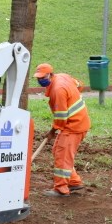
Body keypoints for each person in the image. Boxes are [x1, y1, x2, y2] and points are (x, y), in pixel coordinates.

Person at [33, 63, 91, 197]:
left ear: (50, 74)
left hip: (74, 126)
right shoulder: (63, 77)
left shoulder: (58, 90)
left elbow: (61, 117)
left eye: (43, 77)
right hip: (77, 122)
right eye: (38, 78)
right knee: (58, 151)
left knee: (62, 156)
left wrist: (53, 131)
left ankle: (61, 188)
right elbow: (79, 84)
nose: (41, 80)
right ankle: (74, 182)